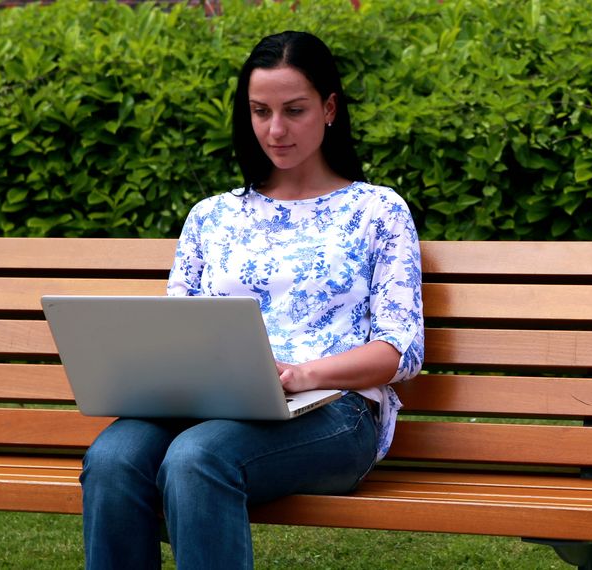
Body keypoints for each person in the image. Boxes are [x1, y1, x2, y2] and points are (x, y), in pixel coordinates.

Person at [80, 31, 424, 569]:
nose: (276, 129)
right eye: (260, 111)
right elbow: (175, 331)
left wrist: (301, 375)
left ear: (330, 109)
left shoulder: (378, 211)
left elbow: (400, 351)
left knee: (198, 459)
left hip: (334, 411)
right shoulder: (211, 216)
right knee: (112, 457)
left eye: (294, 110)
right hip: (210, 405)